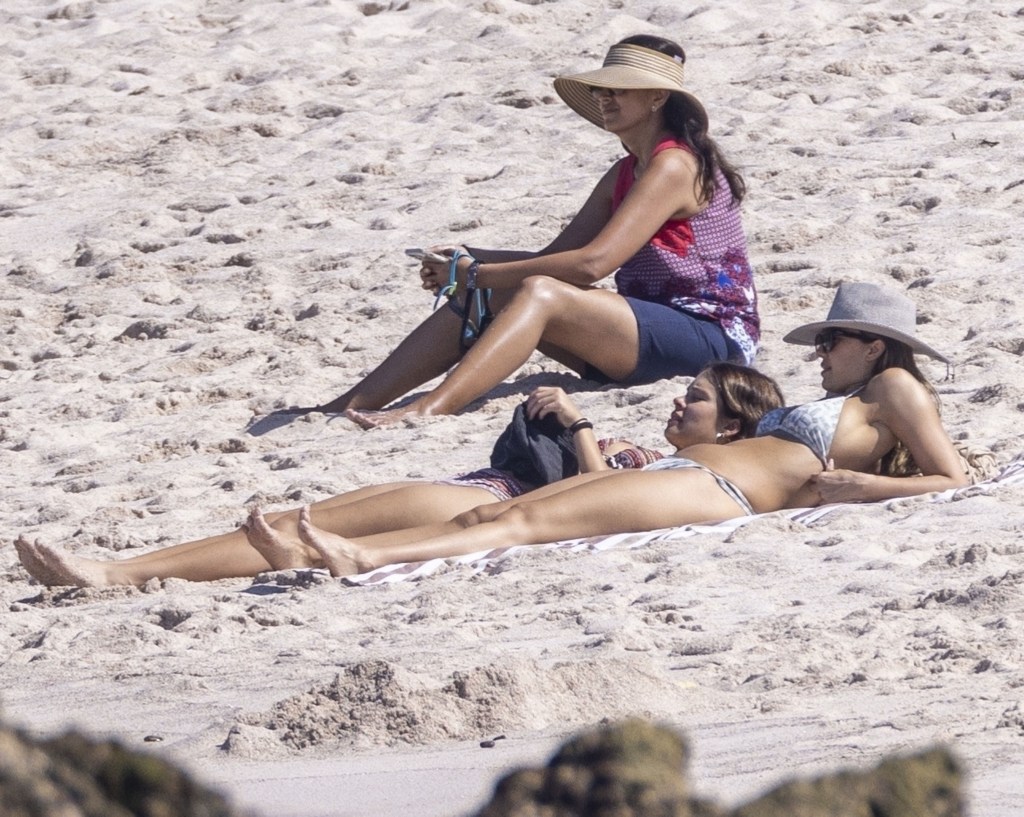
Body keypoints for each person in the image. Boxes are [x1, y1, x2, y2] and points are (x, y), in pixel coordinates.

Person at [243, 282, 971, 578]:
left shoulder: (894, 387)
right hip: (693, 477)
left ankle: (362, 558)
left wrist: (864, 485)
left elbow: (954, 479)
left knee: (524, 522)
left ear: (874, 346)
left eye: (832, 341)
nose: (819, 353)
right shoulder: (860, 400)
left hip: (721, 493)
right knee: (496, 510)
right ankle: (333, 552)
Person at [289, 34, 758, 428]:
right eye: (601, 90)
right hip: (644, 331)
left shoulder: (673, 165)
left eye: (620, 90)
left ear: (658, 98)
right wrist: (467, 259)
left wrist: (478, 274)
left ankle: (429, 408)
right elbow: (561, 254)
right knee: (500, 294)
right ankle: (350, 405)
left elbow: (594, 264)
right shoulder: (625, 170)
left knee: (532, 291)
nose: (604, 98)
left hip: (711, 340)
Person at [14, 364, 784, 587]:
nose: (679, 402)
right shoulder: (663, 458)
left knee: (304, 525)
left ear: (732, 427)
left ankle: (118, 573)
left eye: (698, 398)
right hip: (477, 483)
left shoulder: (674, 470)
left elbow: (565, 502)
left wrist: (583, 429)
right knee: (294, 521)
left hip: (490, 496)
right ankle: (124, 568)